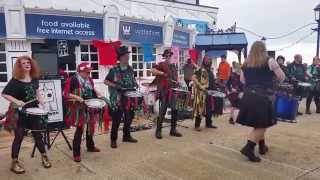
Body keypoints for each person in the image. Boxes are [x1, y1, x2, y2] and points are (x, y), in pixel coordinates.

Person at [2, 56, 52, 174]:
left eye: (28, 62)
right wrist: (16, 101)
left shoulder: (34, 78)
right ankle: (14, 162)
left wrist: (43, 103)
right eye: (23, 63)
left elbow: (37, 92)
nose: (27, 64)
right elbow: (4, 94)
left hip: (34, 111)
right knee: (19, 137)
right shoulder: (15, 80)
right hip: (21, 112)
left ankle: (44, 156)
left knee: (37, 135)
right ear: (20, 66)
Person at [237, 41, 285, 162]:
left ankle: (262, 146)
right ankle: (249, 147)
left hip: (248, 96)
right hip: (263, 97)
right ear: (264, 49)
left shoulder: (246, 63)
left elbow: (242, 81)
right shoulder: (270, 61)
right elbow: (282, 77)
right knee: (262, 125)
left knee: (260, 123)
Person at [63, 62, 103, 162]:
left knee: (90, 128)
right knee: (80, 129)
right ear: (80, 71)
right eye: (86, 72)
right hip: (78, 107)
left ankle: (90, 146)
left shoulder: (89, 79)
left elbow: (92, 88)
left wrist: (97, 92)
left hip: (89, 105)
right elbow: (66, 94)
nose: (88, 74)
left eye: (89, 72)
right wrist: (77, 97)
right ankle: (76, 153)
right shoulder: (72, 80)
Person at [105, 46, 138, 148]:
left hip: (129, 97)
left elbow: (133, 79)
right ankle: (113, 140)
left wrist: (135, 83)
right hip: (118, 98)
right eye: (126, 56)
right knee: (117, 120)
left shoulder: (130, 69)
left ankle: (126, 136)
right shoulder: (114, 70)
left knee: (129, 118)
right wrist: (115, 86)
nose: (128, 58)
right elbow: (106, 81)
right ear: (121, 58)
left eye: (128, 56)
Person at [151, 49, 183, 139]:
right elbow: (152, 70)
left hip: (173, 91)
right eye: (167, 55)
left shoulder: (173, 66)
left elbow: (176, 77)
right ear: (165, 56)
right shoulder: (161, 64)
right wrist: (162, 73)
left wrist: (178, 82)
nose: (169, 57)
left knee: (175, 110)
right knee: (162, 111)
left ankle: (173, 130)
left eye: (170, 55)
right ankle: (158, 131)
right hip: (164, 92)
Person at [192, 57, 209, 131]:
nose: (208, 61)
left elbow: (207, 81)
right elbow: (193, 77)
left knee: (202, 109)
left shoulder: (206, 70)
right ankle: (197, 125)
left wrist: (204, 87)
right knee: (198, 108)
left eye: (209, 60)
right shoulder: (200, 69)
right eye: (207, 60)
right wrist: (200, 85)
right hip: (199, 92)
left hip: (204, 92)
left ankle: (198, 124)